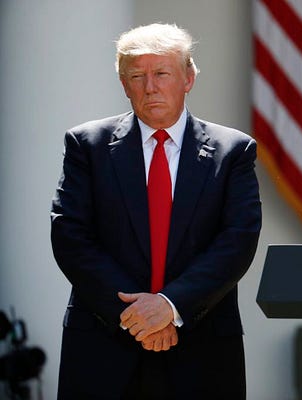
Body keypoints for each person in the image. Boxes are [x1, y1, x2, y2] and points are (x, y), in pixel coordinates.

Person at [50, 23, 261, 399]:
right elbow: (70, 236)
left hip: (202, 349)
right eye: (137, 76)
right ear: (124, 84)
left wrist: (170, 305)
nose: (150, 87)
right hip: (104, 346)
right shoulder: (87, 145)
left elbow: (237, 241)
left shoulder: (233, 151)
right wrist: (137, 317)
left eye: (162, 73)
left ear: (188, 78)